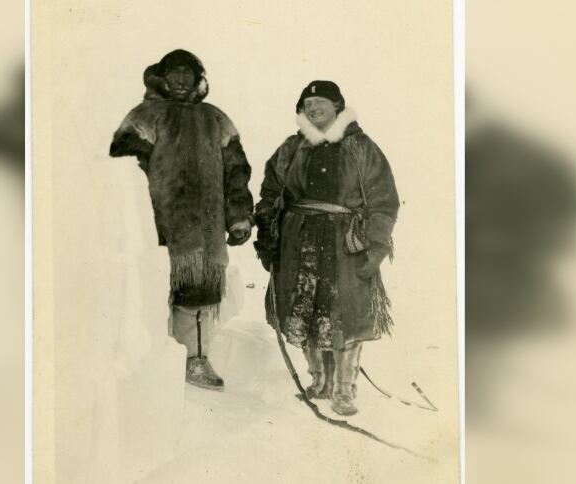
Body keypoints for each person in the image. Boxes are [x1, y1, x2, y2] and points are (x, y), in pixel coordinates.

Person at [109, 50, 254, 391]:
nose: (179, 79)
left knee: (200, 294)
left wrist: (238, 219)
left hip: (206, 229)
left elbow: (236, 172)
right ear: (160, 76)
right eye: (172, 73)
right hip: (159, 225)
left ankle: (194, 359)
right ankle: (148, 363)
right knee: (151, 291)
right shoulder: (145, 115)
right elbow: (122, 170)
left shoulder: (216, 119)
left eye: (187, 73)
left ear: (198, 79)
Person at [254, 81, 400, 415]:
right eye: (308, 102)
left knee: (344, 315)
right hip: (298, 241)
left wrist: (376, 246)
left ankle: (344, 389)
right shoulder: (292, 148)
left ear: (338, 106)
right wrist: (267, 237)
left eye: (321, 101)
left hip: (345, 243)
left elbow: (384, 201)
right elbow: (270, 192)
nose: (315, 107)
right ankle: (318, 379)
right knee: (304, 309)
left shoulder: (360, 147)